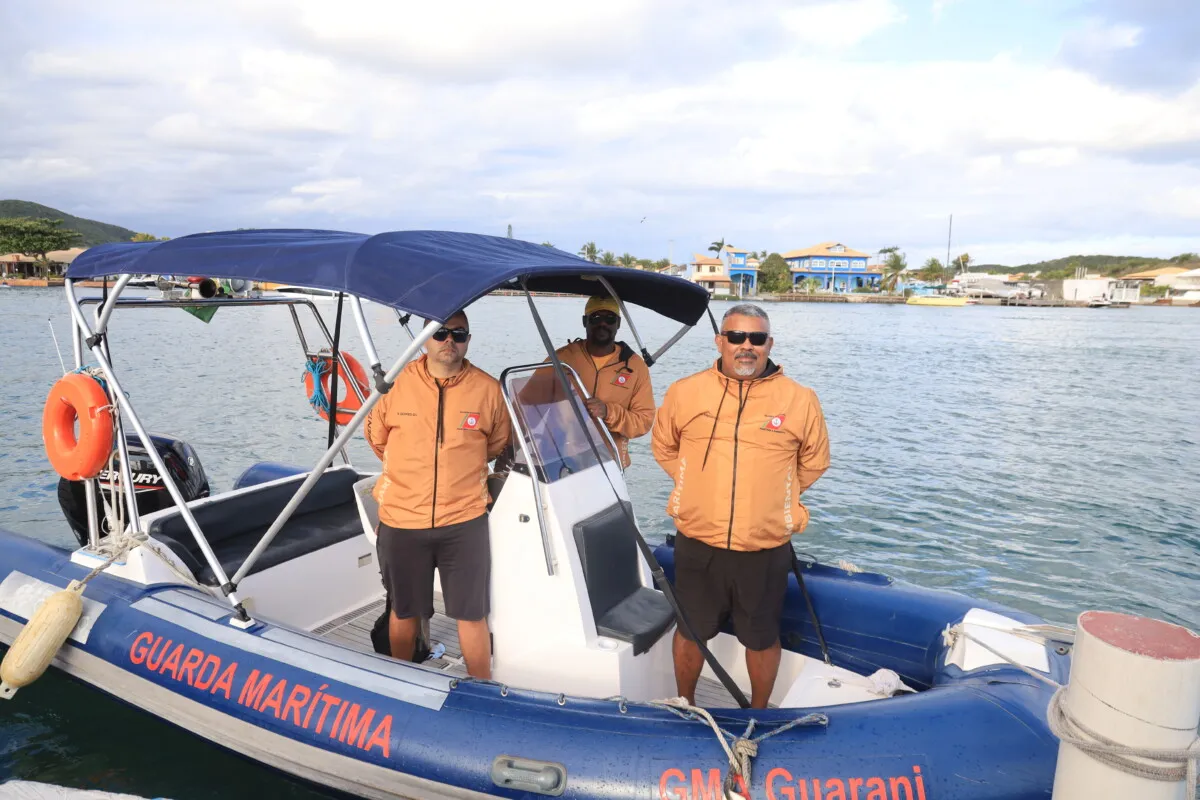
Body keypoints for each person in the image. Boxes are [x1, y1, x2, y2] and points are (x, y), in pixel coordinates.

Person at [651, 303, 830, 708]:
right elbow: (664, 446)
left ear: (769, 344)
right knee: (691, 631)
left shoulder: (800, 399)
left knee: (762, 638)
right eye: (736, 337)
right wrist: (696, 488)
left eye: (756, 338)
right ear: (720, 341)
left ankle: (760, 713)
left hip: (764, 547)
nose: (746, 346)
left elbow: (815, 461)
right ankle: (685, 704)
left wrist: (774, 497)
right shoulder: (684, 391)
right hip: (698, 542)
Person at [364, 309, 511, 679]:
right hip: (402, 519)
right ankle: (402, 682)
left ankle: (481, 688)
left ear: (468, 340)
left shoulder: (489, 390)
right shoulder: (394, 385)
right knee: (404, 611)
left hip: (464, 521)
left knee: (472, 614)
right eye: (441, 333)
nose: (449, 341)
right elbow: (377, 439)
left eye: (458, 334)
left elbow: (495, 444)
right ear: (425, 338)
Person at [551, 295, 655, 468]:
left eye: (610, 318)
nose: (603, 324)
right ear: (584, 321)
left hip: (610, 464)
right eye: (596, 317)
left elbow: (644, 422)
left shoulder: (636, 367)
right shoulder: (561, 358)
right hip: (560, 460)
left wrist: (608, 412)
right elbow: (526, 402)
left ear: (618, 323)